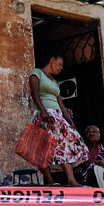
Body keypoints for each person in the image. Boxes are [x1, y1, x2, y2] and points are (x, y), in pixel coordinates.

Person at [25, 54, 87, 186]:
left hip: (57, 115)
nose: (61, 67)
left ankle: (71, 180)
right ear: (52, 60)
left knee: (66, 144)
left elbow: (61, 103)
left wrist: (70, 121)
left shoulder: (54, 82)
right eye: (60, 64)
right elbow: (34, 93)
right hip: (44, 114)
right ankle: (50, 181)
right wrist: (43, 111)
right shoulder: (37, 73)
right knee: (44, 147)